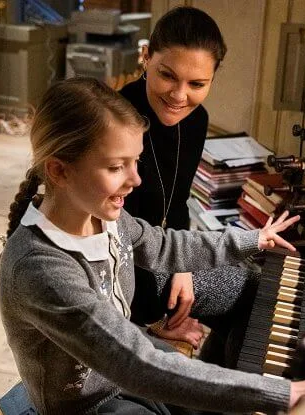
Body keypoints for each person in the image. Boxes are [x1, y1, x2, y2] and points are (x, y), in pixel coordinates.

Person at [0, 77, 305, 414]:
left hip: (122, 370)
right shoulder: (40, 268)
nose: (135, 180)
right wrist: (283, 392)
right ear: (59, 171)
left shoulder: (107, 217)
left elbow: (164, 245)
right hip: (88, 404)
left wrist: (251, 240)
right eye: (116, 166)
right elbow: (136, 364)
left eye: (135, 161)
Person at [119, 6, 262, 368]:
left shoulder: (196, 120)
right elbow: (102, 234)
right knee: (255, 292)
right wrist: (148, 326)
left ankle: (220, 391)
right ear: (146, 55)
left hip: (165, 260)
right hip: (121, 275)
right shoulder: (114, 116)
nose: (179, 95)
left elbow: (178, 204)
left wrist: (183, 266)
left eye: (197, 84)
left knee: (259, 280)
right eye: (168, 75)